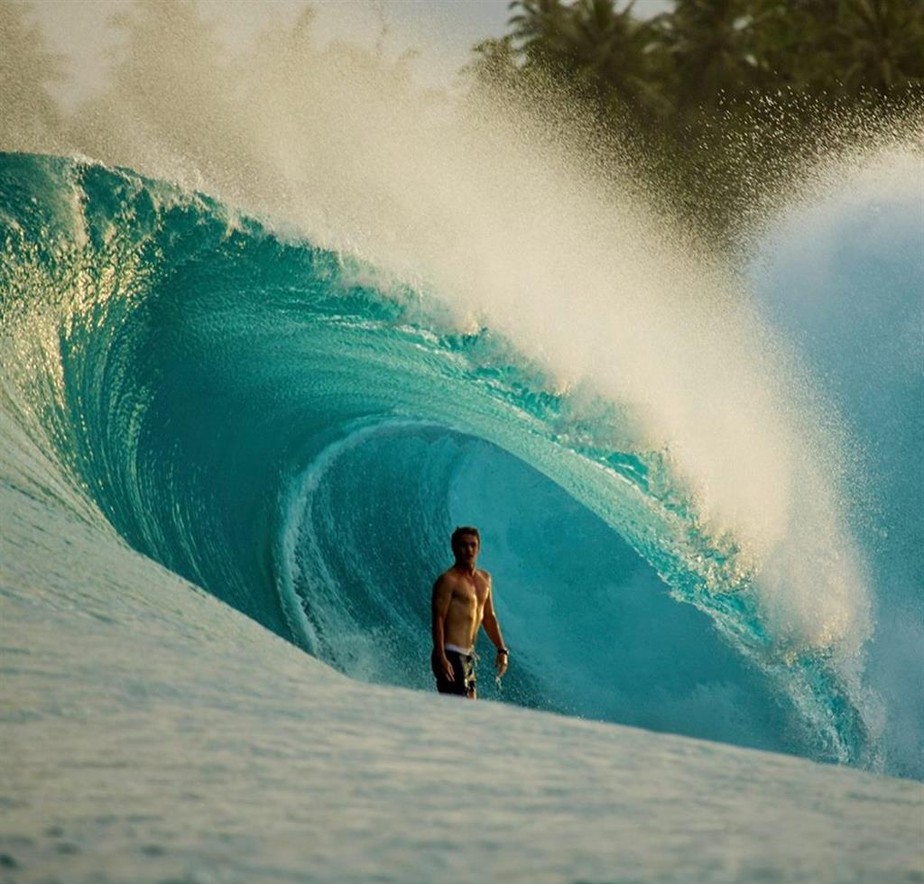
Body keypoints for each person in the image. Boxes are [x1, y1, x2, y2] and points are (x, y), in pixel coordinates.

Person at [431, 526, 508, 699]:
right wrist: (441, 655)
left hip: (468, 657)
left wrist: (502, 650)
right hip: (450, 654)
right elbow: (438, 619)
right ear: (454, 548)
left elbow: (488, 617)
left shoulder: (485, 580)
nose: (469, 550)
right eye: (464, 545)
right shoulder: (448, 581)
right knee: (458, 712)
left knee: (469, 713)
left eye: (473, 545)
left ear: (479, 548)